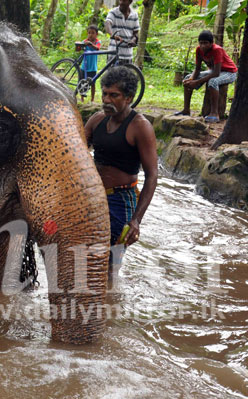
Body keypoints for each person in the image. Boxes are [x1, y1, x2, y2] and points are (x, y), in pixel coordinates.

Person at [84, 66, 158, 267]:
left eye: (114, 95)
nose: (106, 100)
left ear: (129, 98)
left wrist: (136, 221)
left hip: (120, 200)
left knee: (109, 262)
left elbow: (152, 176)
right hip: (92, 196)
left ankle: (111, 296)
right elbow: (75, 153)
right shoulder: (97, 120)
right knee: (84, 256)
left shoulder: (140, 127)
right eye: (105, 94)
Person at [175, 30, 238, 123]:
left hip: (230, 73)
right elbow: (197, 69)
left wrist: (196, 82)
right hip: (214, 71)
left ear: (211, 43)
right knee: (187, 78)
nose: (203, 46)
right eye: (201, 43)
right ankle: (186, 110)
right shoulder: (198, 50)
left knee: (213, 81)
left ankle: (215, 113)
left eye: (206, 43)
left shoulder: (217, 50)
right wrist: (191, 79)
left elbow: (216, 73)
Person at [104, 0, 139, 64]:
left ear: (130, 2)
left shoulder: (134, 15)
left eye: (124, 0)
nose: (121, 2)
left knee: (127, 73)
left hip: (128, 56)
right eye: (120, 0)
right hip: (114, 54)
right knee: (112, 73)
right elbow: (107, 23)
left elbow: (136, 32)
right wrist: (112, 35)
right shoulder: (113, 12)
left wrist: (133, 40)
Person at [81, 24, 101, 103]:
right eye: (89, 33)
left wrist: (91, 44)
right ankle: (82, 98)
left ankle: (92, 99)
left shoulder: (97, 42)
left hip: (93, 67)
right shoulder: (85, 41)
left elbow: (97, 48)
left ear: (96, 34)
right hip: (84, 66)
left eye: (93, 33)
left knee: (92, 83)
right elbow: (78, 49)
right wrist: (79, 45)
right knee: (82, 82)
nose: (90, 35)